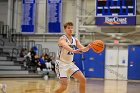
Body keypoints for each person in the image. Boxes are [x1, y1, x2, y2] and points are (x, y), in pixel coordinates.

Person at [54, 22, 91, 93]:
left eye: (71, 28)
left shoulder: (75, 40)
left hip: (70, 64)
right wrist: (73, 50)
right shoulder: (62, 39)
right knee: (64, 87)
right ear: (65, 29)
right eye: (68, 28)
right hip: (61, 64)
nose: (70, 29)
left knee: (83, 79)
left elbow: (83, 49)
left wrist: (88, 47)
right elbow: (65, 46)